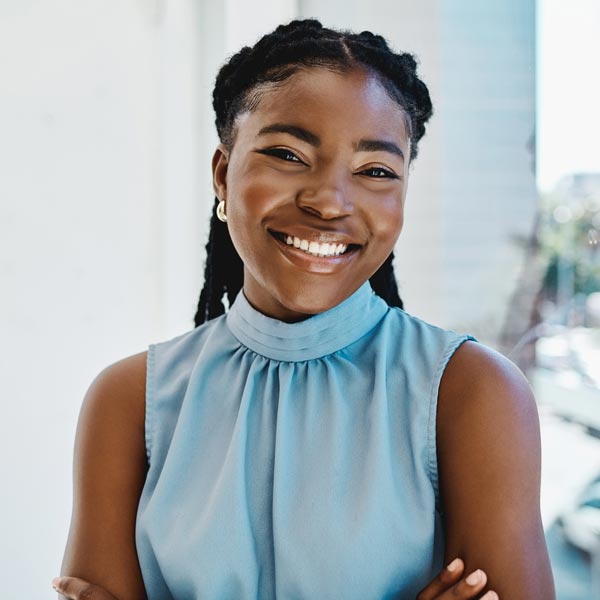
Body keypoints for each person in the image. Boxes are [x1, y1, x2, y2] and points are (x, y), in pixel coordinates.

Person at [53, 19, 555, 600]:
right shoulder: (127, 402)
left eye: (375, 171)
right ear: (222, 173)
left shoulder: (471, 394)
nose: (329, 201)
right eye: (289, 154)